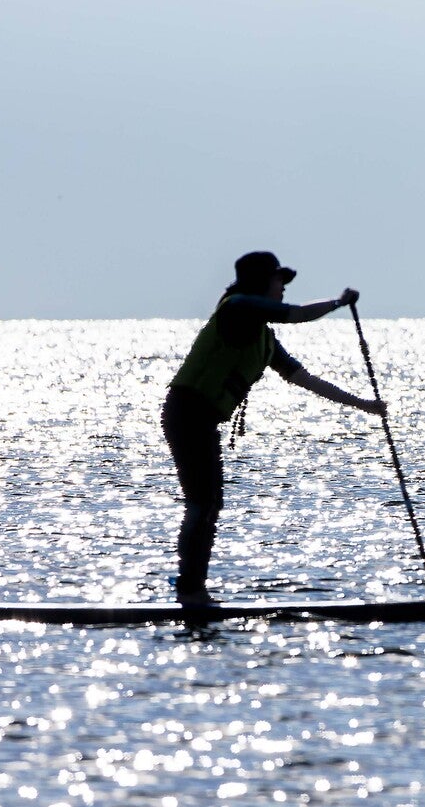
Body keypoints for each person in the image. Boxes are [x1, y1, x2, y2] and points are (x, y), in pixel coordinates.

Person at [162, 251, 385, 601]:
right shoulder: (237, 307)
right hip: (187, 412)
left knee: (209, 503)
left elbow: (305, 379)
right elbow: (295, 314)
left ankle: (192, 586)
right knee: (203, 503)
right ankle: (190, 589)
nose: (282, 289)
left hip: (201, 419)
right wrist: (339, 303)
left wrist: (365, 406)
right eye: (279, 281)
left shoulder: (264, 338)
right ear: (260, 283)